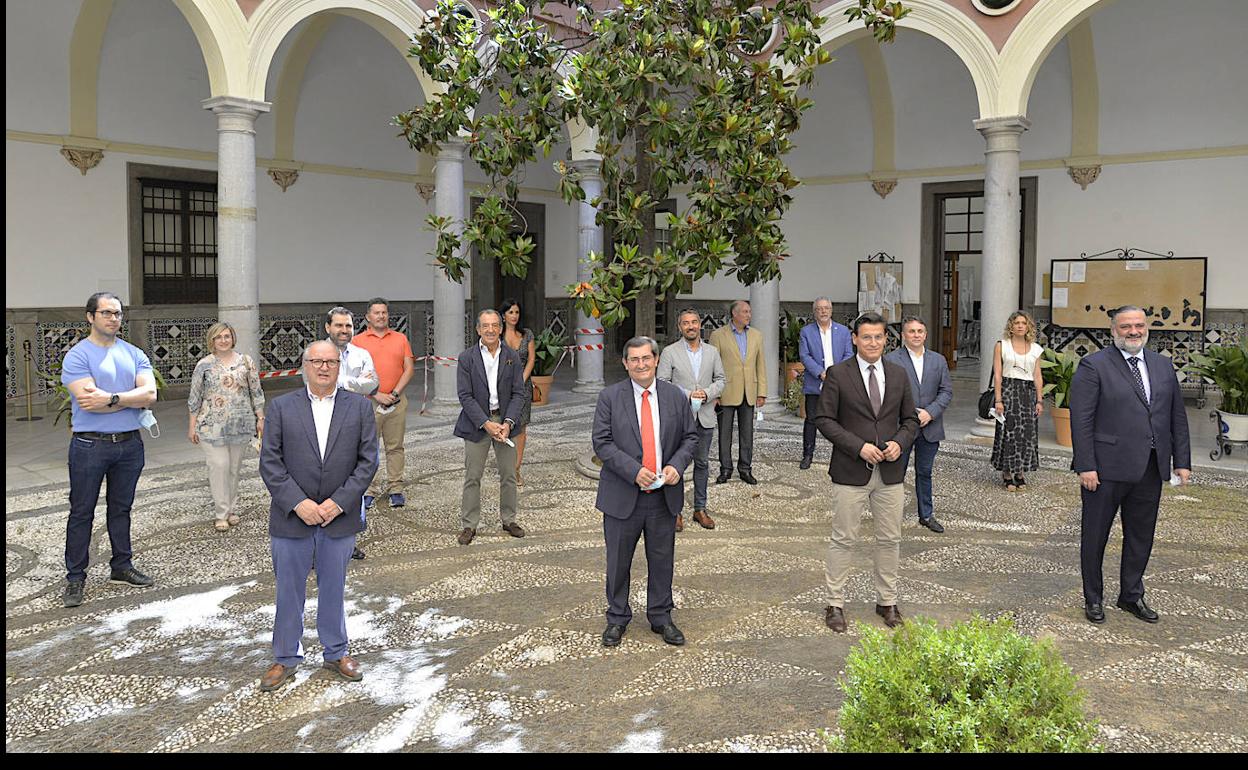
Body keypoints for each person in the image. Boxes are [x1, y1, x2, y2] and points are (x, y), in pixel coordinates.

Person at [258, 340, 378, 692]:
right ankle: (285, 657)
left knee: (334, 588)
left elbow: (367, 462)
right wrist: (299, 503)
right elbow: (270, 463)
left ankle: (336, 651)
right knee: (289, 590)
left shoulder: (358, 408)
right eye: (316, 361)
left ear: (340, 366)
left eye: (330, 361)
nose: (323, 367)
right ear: (303, 366)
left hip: (337, 518)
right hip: (291, 517)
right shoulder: (280, 407)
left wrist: (338, 503)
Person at [1070, 305, 1191, 625]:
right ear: (1113, 331)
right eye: (1126, 327)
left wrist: (1182, 461)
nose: (1133, 331)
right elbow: (1081, 420)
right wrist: (1085, 465)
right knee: (1095, 537)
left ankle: (1131, 596)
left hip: (1150, 467)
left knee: (1141, 536)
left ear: (1146, 328)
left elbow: (1176, 416)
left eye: (1138, 325)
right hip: (1104, 470)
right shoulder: (1093, 365)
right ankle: (1093, 598)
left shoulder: (1163, 366)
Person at [814, 312, 919, 633]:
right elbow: (824, 419)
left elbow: (911, 420)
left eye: (878, 337)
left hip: (890, 473)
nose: (873, 342)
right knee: (843, 539)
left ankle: (887, 601)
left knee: (890, 539)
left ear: (886, 340)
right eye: (867, 337)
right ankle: (835, 603)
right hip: (850, 470)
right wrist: (857, 446)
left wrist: (900, 443)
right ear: (855, 340)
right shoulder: (838, 375)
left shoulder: (899, 374)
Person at [594, 337, 698, 648]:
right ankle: (616, 617)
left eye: (646, 358)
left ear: (655, 360)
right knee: (618, 562)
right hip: (623, 496)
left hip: (663, 496)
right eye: (634, 359)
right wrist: (633, 471)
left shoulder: (674, 397)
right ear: (625, 363)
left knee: (662, 558)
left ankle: (661, 616)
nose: (641, 364)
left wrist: (677, 466)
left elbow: (690, 438)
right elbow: (602, 442)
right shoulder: (610, 398)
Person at [60, 292, 158, 608]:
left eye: (117, 313)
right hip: (90, 446)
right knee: (81, 512)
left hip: (129, 446)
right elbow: (89, 402)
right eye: (106, 313)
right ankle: (75, 578)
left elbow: (151, 395)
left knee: (121, 509)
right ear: (90, 317)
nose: (113, 318)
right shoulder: (78, 356)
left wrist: (112, 399)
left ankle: (122, 566)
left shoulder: (133, 353)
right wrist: (129, 398)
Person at [453, 309, 527, 545]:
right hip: (477, 424)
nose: (490, 330)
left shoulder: (512, 356)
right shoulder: (467, 358)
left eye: (495, 325)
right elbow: (465, 396)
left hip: (505, 423)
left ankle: (509, 519)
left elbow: (519, 392)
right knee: (473, 476)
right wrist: (485, 423)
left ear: (501, 328)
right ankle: (469, 524)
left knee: (508, 475)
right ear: (478, 329)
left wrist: (508, 422)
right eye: (485, 325)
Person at [187, 321, 265, 532]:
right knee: (219, 465)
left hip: (240, 424)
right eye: (218, 337)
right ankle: (221, 513)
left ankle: (230, 509)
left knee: (233, 468)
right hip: (210, 425)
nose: (223, 340)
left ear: (233, 338)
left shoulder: (246, 362)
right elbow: (195, 396)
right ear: (212, 340)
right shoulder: (204, 364)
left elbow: (256, 391)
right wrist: (192, 425)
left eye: (226, 336)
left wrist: (260, 417)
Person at [657, 309, 726, 531]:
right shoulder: (669, 352)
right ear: (680, 327)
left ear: (700, 325)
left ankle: (700, 509)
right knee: (676, 465)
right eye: (686, 323)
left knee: (702, 463)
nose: (691, 326)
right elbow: (662, 382)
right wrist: (687, 394)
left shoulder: (712, 352)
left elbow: (721, 380)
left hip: (704, 416)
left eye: (694, 322)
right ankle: (675, 512)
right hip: (679, 417)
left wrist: (707, 393)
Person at [885, 316, 953, 533]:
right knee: (897, 473)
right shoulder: (891, 360)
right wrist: (910, 413)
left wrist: (930, 413)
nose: (916, 335)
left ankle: (926, 515)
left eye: (920, 331)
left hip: (929, 428)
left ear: (925, 334)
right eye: (911, 331)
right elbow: (886, 392)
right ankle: (890, 516)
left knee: (925, 472)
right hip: (901, 427)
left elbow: (946, 391)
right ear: (904, 335)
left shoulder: (938, 360)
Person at [351, 298, 415, 511]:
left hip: (397, 401)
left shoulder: (400, 338)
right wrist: (376, 393)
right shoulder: (357, 341)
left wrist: (395, 393)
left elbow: (408, 368)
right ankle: (369, 489)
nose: (381, 316)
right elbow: (353, 374)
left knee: (395, 446)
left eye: (384, 312)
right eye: (376, 313)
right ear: (368, 317)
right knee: (368, 447)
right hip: (368, 402)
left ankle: (395, 488)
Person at [326, 305, 377, 560]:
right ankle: (318, 544)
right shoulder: (316, 352)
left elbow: (372, 382)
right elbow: (314, 383)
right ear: (328, 327)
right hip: (323, 425)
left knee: (353, 484)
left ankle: (348, 541)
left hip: (354, 425)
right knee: (323, 484)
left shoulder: (362, 354)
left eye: (348, 325)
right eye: (338, 325)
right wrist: (355, 382)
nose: (344, 330)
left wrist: (341, 381)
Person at [709, 299, 767, 485]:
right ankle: (725, 469)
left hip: (749, 391)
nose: (748, 315)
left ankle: (745, 468)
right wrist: (714, 393)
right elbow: (713, 365)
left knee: (747, 433)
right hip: (726, 391)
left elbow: (761, 364)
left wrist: (762, 392)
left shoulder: (757, 335)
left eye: (749, 312)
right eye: (745, 312)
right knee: (724, 434)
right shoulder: (718, 335)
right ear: (734, 314)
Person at [991, 311, 1044, 491]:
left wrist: (1039, 400)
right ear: (1011, 326)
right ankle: (1007, 472)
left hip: (1028, 393)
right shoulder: (1001, 346)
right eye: (1017, 323)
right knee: (1009, 432)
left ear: (1028, 326)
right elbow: (998, 375)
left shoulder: (1036, 348)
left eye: (1024, 323)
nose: (1020, 326)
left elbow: (1037, 375)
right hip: (1008, 390)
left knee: (1027, 434)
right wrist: (998, 399)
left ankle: (1020, 471)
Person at [798, 297, 854, 469]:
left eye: (826, 308)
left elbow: (849, 354)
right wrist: (820, 373)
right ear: (814, 312)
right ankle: (808, 454)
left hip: (839, 383)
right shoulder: (806, 332)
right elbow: (804, 356)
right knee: (811, 419)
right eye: (819, 308)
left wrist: (835, 374)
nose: (823, 311)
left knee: (842, 420)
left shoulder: (843, 331)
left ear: (831, 310)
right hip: (815, 382)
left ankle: (844, 453)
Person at [500, 298, 536, 487]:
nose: (514, 316)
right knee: (503, 425)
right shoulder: (497, 335)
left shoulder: (527, 334)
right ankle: (505, 467)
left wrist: (521, 380)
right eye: (511, 312)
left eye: (517, 312)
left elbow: (531, 359)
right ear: (504, 315)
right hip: (501, 387)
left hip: (523, 387)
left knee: (521, 427)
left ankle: (516, 468)